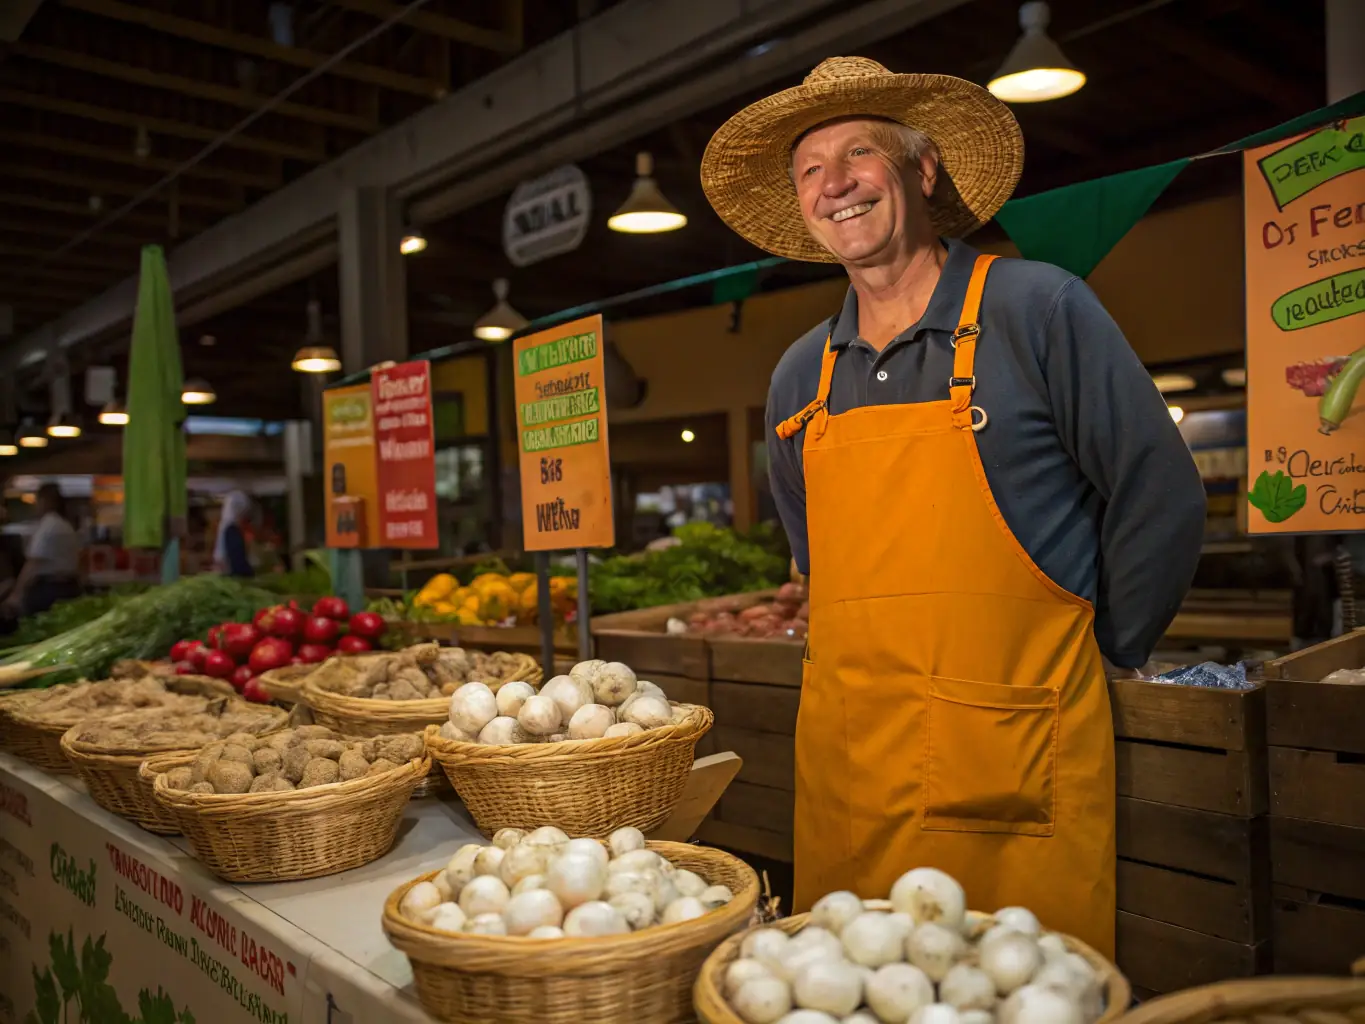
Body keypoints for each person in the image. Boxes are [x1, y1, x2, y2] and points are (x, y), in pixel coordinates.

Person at [700, 57, 1206, 956]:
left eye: (859, 155)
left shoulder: (1036, 307)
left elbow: (1157, 491)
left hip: (1009, 756)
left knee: (1018, 986)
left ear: (920, 172)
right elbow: (815, 559)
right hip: (851, 765)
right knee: (844, 992)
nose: (834, 184)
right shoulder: (798, 373)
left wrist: (1111, 649)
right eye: (809, 169)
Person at [3, 483, 83, 617]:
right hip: (69, 586)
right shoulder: (66, 525)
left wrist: (17, 594)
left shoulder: (48, 525)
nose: (36, 505)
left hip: (49, 590)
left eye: (37, 500)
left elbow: (33, 564)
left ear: (45, 501)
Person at [213, 490, 254, 578]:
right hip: (234, 577)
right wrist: (249, 574)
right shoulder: (231, 530)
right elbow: (236, 559)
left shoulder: (225, 527)